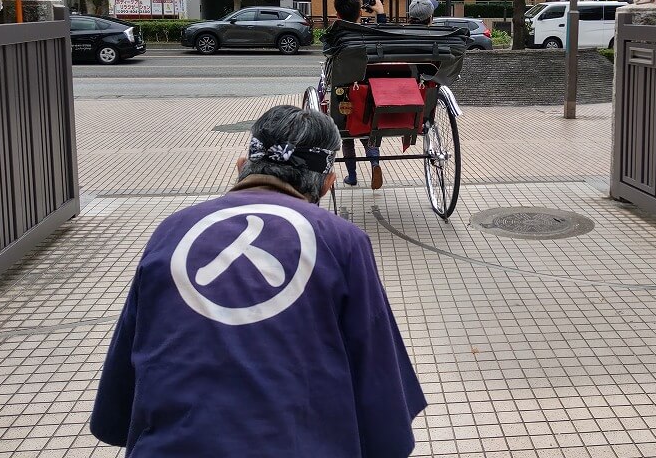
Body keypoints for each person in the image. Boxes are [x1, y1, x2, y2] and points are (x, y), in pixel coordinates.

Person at [90, 105, 426, 458]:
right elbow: (373, 360)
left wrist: (116, 419)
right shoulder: (341, 240)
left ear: (241, 166)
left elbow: (131, 350)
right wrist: (388, 439)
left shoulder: (173, 229)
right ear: (327, 185)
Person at [331, 0, 386, 189]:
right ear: (360, 13)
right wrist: (380, 12)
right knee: (368, 131)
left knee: (347, 137)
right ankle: (374, 163)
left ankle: (352, 176)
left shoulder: (336, 36)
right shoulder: (371, 35)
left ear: (337, 15)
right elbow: (383, 33)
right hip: (371, 93)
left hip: (345, 96)